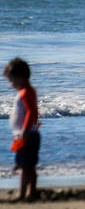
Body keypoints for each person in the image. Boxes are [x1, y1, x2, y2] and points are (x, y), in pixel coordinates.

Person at [5, 58, 41, 201]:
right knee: (25, 165)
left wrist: (26, 130)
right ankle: (27, 192)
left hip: (27, 135)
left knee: (27, 166)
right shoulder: (26, 92)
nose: (10, 84)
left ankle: (28, 193)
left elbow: (32, 111)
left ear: (20, 77)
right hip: (25, 133)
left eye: (11, 80)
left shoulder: (26, 92)